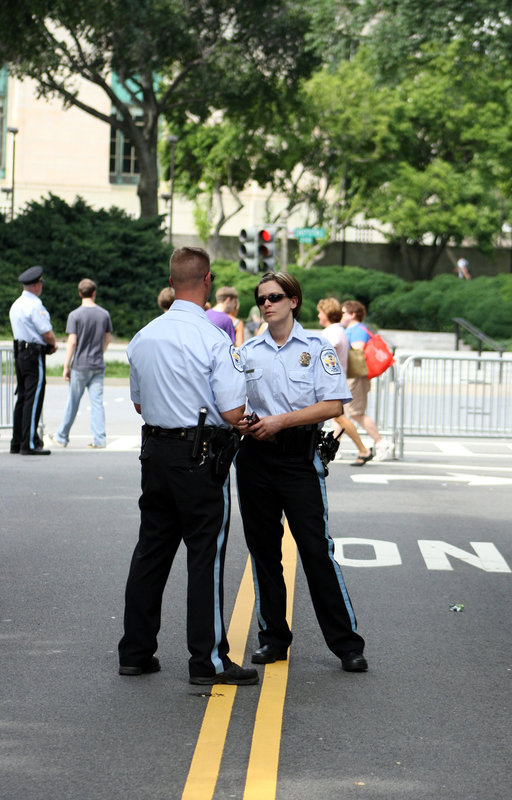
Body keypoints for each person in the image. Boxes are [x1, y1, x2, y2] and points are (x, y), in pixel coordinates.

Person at [118, 246, 259, 686]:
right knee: (206, 555)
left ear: (172, 280)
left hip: (156, 452)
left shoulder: (144, 336)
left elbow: (140, 403)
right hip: (200, 456)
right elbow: (234, 412)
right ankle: (208, 661)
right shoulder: (214, 338)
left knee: (151, 550)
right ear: (208, 281)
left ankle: (136, 652)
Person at [235, 272, 368, 673]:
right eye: (261, 299)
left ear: (294, 301)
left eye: (275, 297)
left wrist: (281, 422)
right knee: (263, 552)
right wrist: (243, 422)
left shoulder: (317, 347)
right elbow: (231, 401)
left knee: (315, 550)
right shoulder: (247, 352)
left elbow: (333, 407)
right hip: (255, 458)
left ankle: (347, 644)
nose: (266, 304)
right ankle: (273, 638)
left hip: (298, 459)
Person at [50, 279, 113, 449]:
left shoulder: (75, 315)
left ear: (79, 293)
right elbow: (107, 339)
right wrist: (99, 353)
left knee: (73, 402)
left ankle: (62, 436)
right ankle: (99, 439)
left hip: (80, 365)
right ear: (94, 292)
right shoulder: (104, 314)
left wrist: (65, 366)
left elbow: (71, 342)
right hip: (97, 365)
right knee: (97, 403)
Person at [317, 298, 374, 466]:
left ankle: (363, 449)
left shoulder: (332, 332)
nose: (318, 315)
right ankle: (350, 448)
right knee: (339, 418)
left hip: (332, 383)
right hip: (335, 382)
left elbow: (329, 348)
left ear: (326, 314)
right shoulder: (338, 330)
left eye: (320, 312)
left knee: (341, 418)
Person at [9, 265, 57, 455]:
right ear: (36, 285)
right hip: (33, 353)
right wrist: (52, 345)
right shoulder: (35, 305)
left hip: (20, 352)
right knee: (33, 398)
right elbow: (46, 332)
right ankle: (28, 443)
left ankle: (17, 440)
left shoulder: (17, 304)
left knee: (22, 397)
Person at [341, 300, 393, 462]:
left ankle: (381, 442)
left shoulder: (357, 331)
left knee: (356, 413)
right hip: (351, 376)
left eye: (343, 312)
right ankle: (334, 447)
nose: (341, 315)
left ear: (352, 314)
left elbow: (357, 352)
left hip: (355, 376)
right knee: (340, 414)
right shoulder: (352, 329)